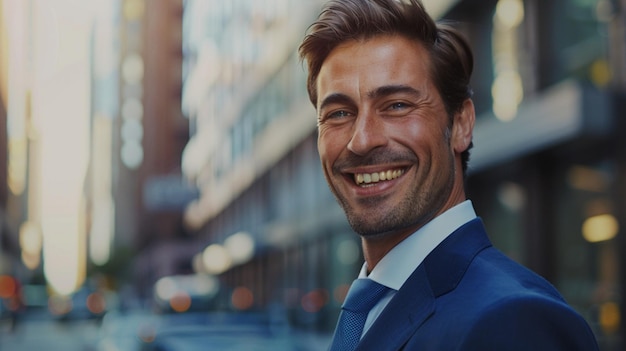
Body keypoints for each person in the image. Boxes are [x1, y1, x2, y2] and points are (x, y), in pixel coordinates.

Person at [298, 0, 599, 350]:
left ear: (460, 124)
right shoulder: (369, 307)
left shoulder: (514, 321)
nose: (362, 140)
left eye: (397, 105)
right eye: (338, 113)